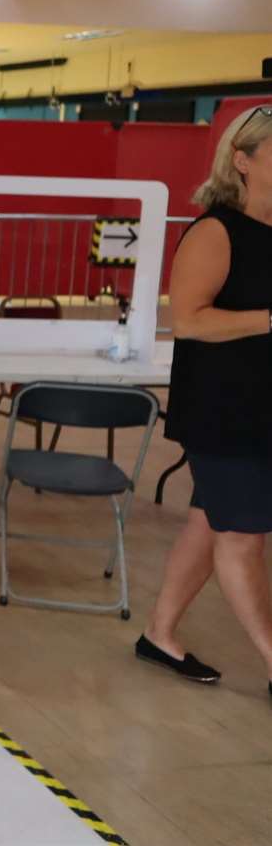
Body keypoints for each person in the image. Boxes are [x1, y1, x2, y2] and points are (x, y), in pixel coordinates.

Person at [138, 105, 272, 704]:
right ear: (243, 161)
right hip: (223, 411)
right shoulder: (217, 231)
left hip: (261, 407)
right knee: (243, 536)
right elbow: (188, 320)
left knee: (209, 519)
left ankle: (158, 634)